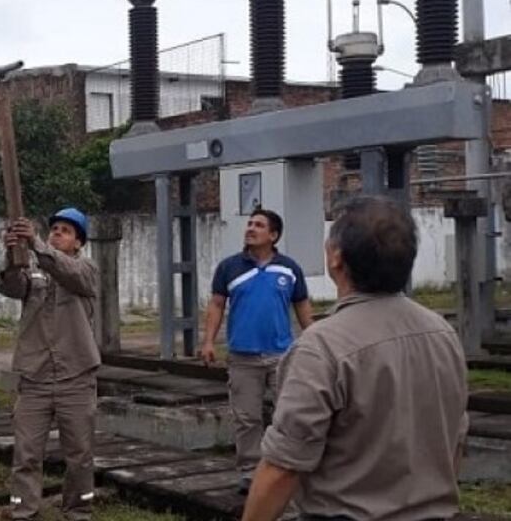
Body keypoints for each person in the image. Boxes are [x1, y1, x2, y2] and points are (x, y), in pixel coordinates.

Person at [242, 195, 468, 521]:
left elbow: (282, 469)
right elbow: (455, 440)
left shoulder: (322, 346)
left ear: (336, 258)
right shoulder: (443, 334)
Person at [199, 208, 314, 492]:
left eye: (259, 225)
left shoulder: (289, 268)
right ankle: (250, 473)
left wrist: (312, 340)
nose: (251, 228)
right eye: (250, 223)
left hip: (282, 356)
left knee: (286, 416)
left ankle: (286, 469)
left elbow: (302, 305)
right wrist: (209, 342)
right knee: (247, 418)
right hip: (242, 357)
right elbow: (216, 304)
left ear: (273, 235)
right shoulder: (229, 267)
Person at [0, 208, 100, 521]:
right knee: (26, 453)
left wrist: (38, 244)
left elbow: (72, 275)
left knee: (79, 455)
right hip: (34, 377)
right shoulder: (35, 272)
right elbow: (11, 287)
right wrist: (12, 253)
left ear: (78, 242)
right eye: (54, 228)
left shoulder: (86, 269)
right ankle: (23, 509)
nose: (57, 233)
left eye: (66, 230)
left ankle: (79, 509)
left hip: (76, 376)